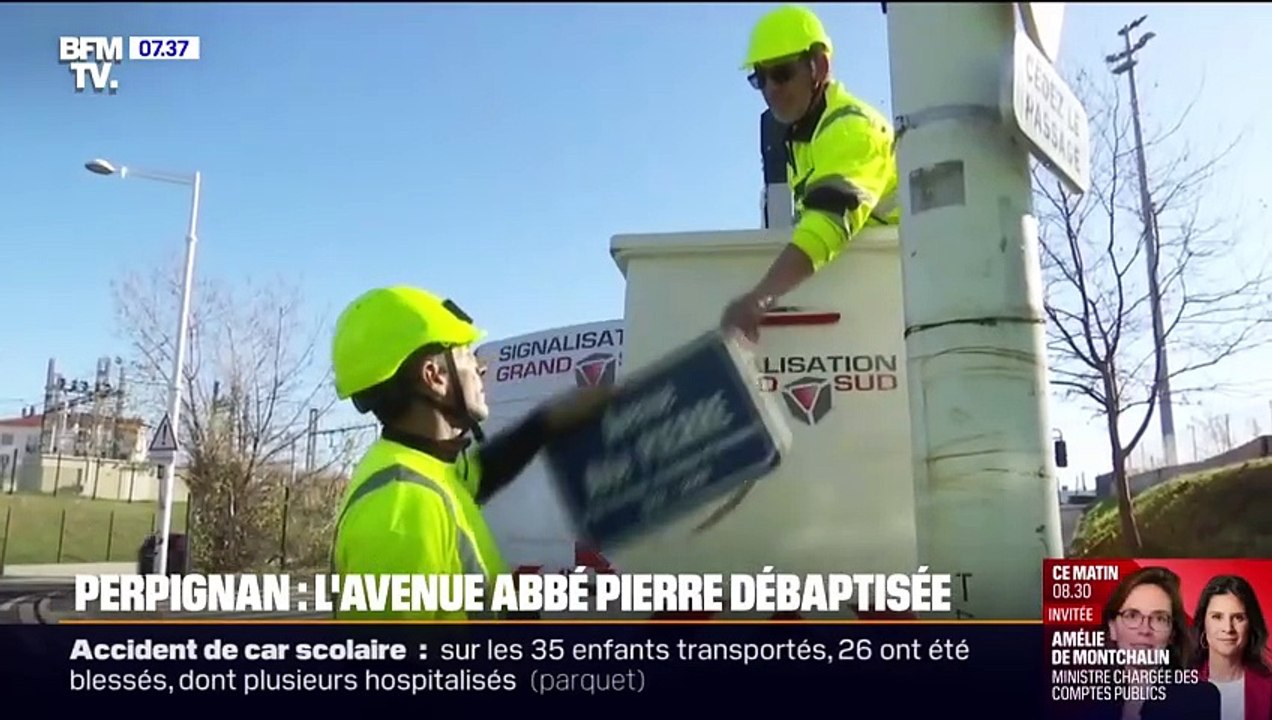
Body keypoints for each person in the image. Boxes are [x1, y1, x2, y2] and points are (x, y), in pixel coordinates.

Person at [327, 285, 612, 620]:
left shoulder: (426, 466)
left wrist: (546, 422)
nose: (481, 368)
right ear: (434, 377)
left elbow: (481, 473)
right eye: (466, 354)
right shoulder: (401, 507)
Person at [720, 4, 901, 343]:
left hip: (895, 291)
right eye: (760, 78)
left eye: (783, 73)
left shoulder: (853, 129)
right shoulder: (803, 139)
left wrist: (760, 297)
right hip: (868, 296)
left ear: (819, 66)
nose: (770, 89)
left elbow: (828, 223)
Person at [1076, 566, 1220, 720]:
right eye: (1132, 615)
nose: (1145, 629)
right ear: (1112, 628)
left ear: (1172, 633)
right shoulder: (1084, 699)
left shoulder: (1200, 700)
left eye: (1159, 618)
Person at [1191, 574, 1272, 720]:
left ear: (1251, 624)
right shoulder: (1179, 686)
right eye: (1217, 617)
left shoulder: (1268, 689)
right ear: (1203, 623)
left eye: (1238, 617)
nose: (1228, 628)